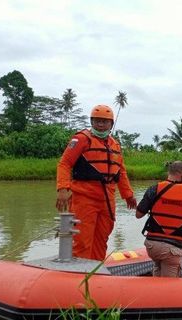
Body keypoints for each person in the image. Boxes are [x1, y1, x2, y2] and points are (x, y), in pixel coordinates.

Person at [56, 104, 137, 261]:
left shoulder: (115, 145)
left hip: (107, 199)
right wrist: (63, 189)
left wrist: (128, 195)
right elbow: (64, 163)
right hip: (85, 198)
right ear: (92, 121)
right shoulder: (81, 139)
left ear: (111, 124)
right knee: (82, 240)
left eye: (104, 121)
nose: (101, 124)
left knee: (102, 239)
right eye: (97, 121)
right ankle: (81, 276)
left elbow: (121, 171)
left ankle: (97, 273)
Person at [136, 161, 182, 277]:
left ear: (169, 173)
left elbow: (138, 214)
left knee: (157, 274)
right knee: (169, 287)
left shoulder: (154, 189)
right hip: (173, 249)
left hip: (152, 246)